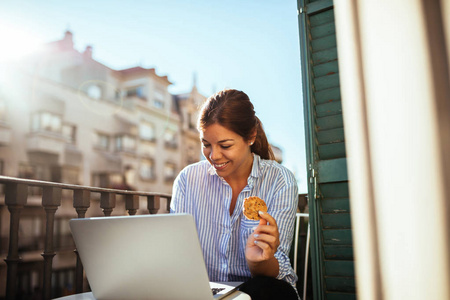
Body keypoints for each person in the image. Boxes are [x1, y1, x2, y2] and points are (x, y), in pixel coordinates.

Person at [170, 89, 299, 300]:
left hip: (257, 289)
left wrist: (259, 261)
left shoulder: (279, 180)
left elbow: (276, 270)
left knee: (271, 291)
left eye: (225, 145)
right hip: (203, 292)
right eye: (206, 144)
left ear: (250, 137)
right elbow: (177, 252)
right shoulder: (187, 179)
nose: (214, 156)